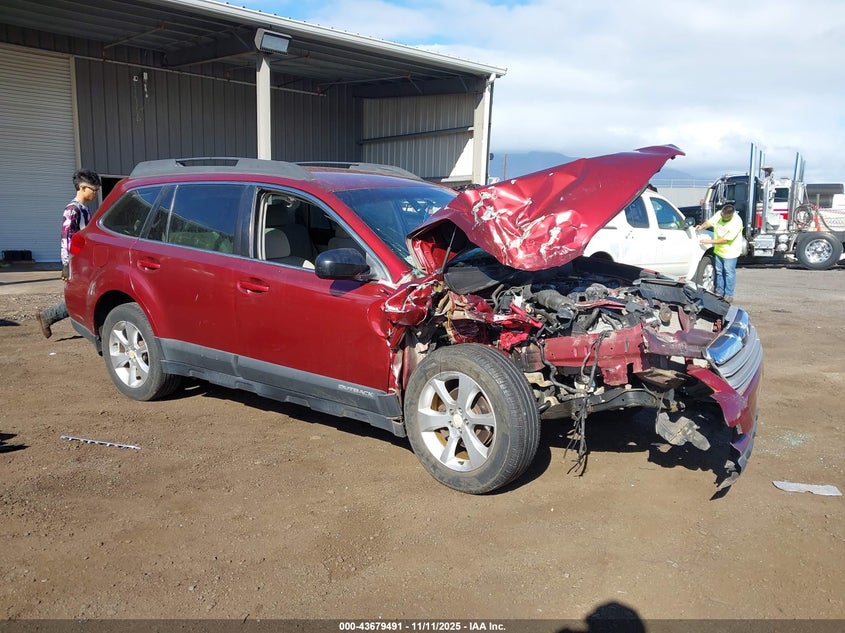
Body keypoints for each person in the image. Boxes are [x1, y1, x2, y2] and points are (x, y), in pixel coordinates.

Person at [36, 169, 101, 338]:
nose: (95, 194)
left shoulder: (84, 210)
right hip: (75, 262)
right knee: (81, 295)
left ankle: (48, 316)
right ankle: (48, 316)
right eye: (94, 190)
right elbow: (67, 239)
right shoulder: (72, 210)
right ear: (82, 188)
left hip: (84, 261)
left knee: (85, 294)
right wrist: (67, 265)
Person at [695, 202, 744, 303]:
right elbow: (710, 222)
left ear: (730, 215)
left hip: (730, 252)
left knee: (729, 273)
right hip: (719, 251)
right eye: (722, 215)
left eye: (725, 217)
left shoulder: (736, 222)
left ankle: (728, 294)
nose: (722, 218)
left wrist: (708, 242)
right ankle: (719, 291)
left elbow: (725, 240)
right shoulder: (719, 214)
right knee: (719, 271)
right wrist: (702, 226)